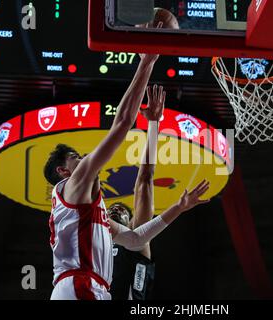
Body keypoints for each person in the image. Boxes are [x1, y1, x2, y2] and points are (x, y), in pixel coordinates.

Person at [44, 51, 210, 300]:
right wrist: (147, 61)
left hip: (93, 289)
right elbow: (122, 122)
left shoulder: (92, 219)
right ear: (63, 171)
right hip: (79, 285)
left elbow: (135, 238)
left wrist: (178, 207)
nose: (85, 157)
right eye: (76, 156)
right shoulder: (74, 185)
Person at [109, 84, 165, 300]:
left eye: (121, 210)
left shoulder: (136, 237)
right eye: (112, 208)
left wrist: (153, 124)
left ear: (130, 220)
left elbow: (144, 179)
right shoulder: (96, 244)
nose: (114, 210)